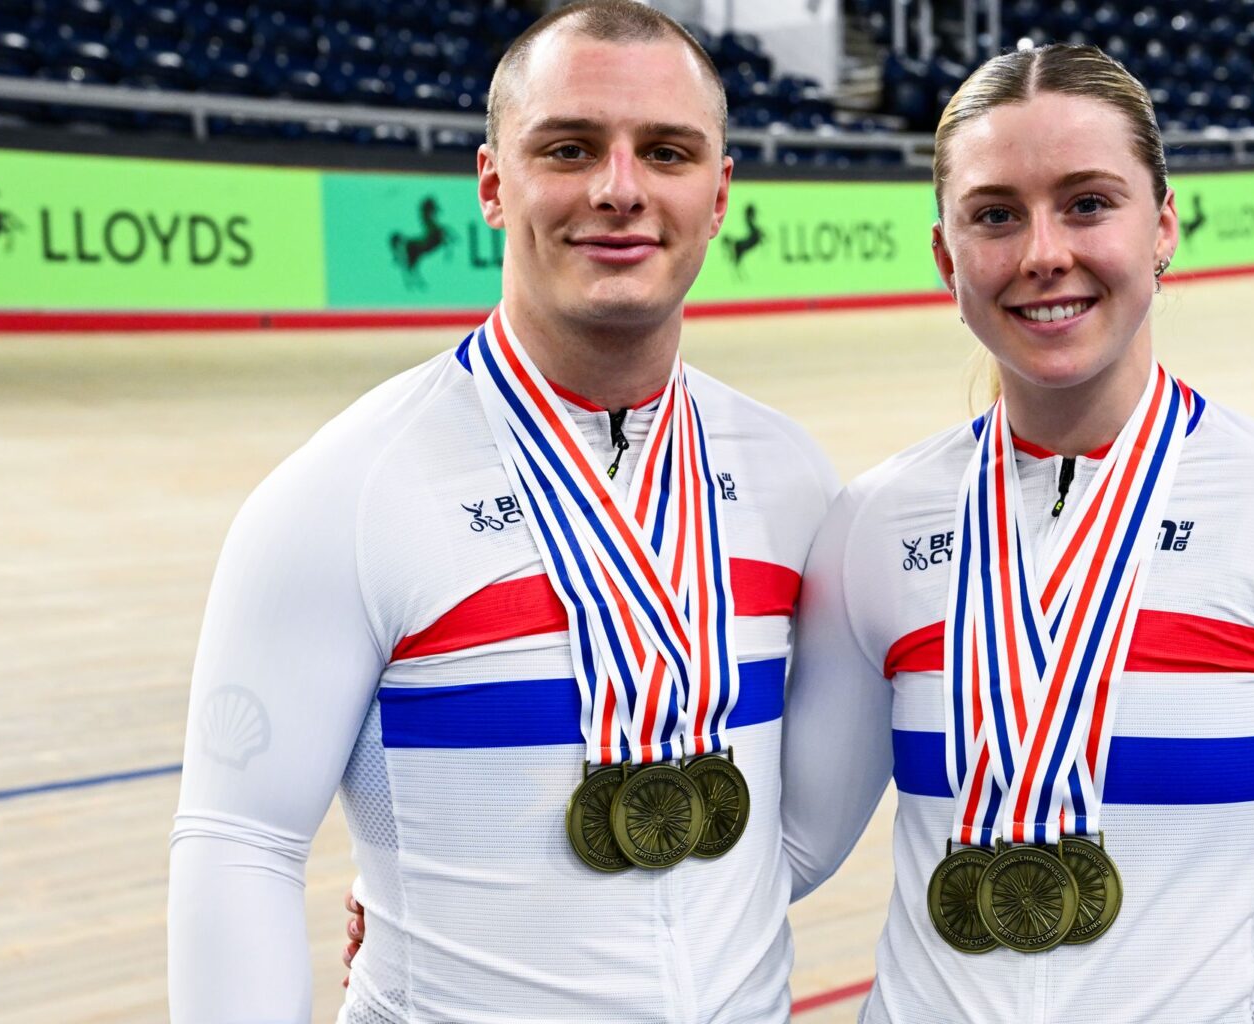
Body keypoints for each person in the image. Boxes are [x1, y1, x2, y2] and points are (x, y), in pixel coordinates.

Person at [167, 3, 838, 1022]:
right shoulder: (343, 490)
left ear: (719, 192)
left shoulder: (792, 477)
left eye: (666, 152)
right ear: (492, 183)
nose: (620, 190)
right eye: (568, 148)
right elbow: (239, 845)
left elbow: (780, 842)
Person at [777, 44, 1254, 1022]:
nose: (1043, 251)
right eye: (996, 214)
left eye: (1087, 203)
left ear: (1164, 225)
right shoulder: (876, 521)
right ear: (944, 255)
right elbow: (789, 847)